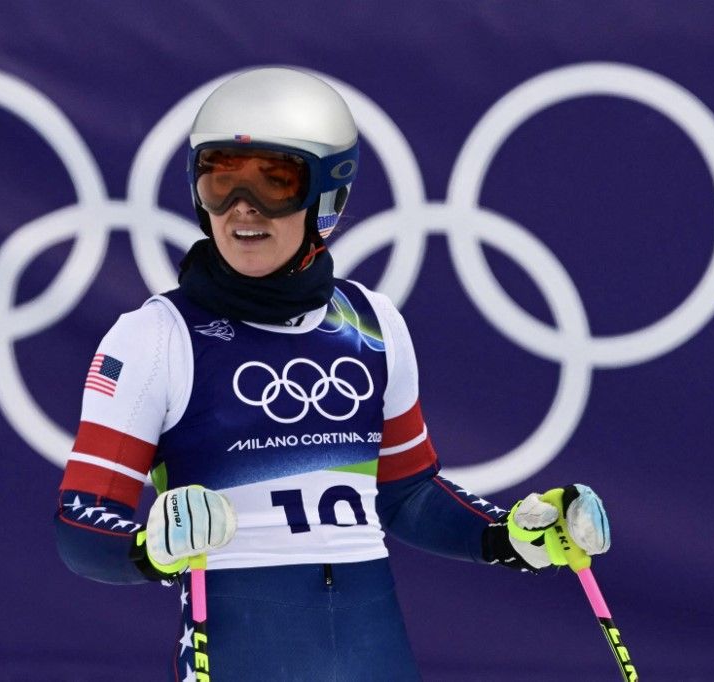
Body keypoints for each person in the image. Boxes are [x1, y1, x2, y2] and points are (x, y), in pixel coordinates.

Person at [54, 67, 611, 681]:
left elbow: (409, 496)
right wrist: (150, 550)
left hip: (374, 651)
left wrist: (511, 537)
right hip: (244, 652)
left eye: (276, 183)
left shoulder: (372, 323)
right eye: (221, 182)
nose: (244, 210)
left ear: (327, 196)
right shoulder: (156, 337)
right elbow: (81, 528)